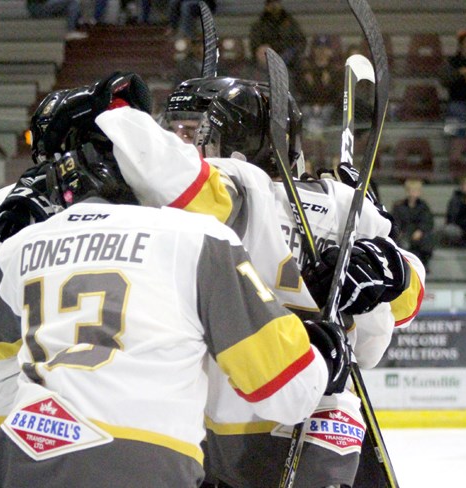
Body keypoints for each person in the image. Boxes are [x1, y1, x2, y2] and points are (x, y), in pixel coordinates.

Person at [0, 73, 350, 488]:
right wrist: (322, 361)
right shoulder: (198, 232)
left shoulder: (20, 226)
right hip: (152, 461)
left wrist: (5, 256)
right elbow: (283, 386)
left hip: (14, 445)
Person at [139, 76, 425, 487]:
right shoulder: (343, 204)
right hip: (313, 419)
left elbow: (405, 303)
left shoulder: (230, 189)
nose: (183, 144)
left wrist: (391, 271)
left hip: (247, 422)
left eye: (190, 131)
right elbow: (378, 338)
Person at [297, 34, 343, 136]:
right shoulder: (306, 69)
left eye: (325, 49)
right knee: (305, 112)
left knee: (327, 112)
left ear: (330, 51)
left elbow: (336, 95)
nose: (322, 52)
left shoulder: (335, 70)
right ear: (314, 50)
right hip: (309, 106)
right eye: (319, 48)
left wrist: (326, 84)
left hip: (329, 107)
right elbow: (302, 91)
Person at [248, 0, 306, 78]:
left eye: (276, 3)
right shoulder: (259, 25)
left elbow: (301, 41)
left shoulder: (291, 23)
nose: (274, 6)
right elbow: (255, 46)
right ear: (266, 6)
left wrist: (290, 54)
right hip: (267, 64)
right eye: (271, 4)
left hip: (290, 64)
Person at [392, 178, 434, 269]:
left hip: (419, 234)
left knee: (427, 239)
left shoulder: (424, 206)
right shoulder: (399, 206)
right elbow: (396, 221)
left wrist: (420, 231)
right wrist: (401, 233)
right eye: (411, 190)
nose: (413, 193)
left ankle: (423, 264)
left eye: (416, 190)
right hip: (404, 233)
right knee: (401, 242)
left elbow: (427, 221)